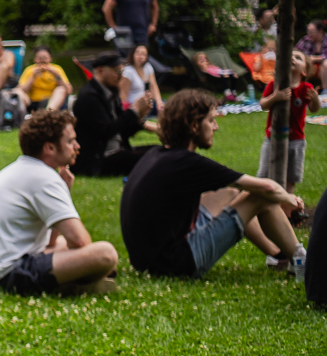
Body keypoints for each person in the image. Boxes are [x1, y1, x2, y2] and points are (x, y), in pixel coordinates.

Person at [119, 88, 306, 280]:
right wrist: (289, 199)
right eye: (210, 121)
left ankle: (278, 256)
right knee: (259, 195)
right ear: (193, 125)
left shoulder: (159, 154)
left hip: (149, 259)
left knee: (230, 193)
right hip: (175, 263)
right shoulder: (186, 162)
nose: (215, 127)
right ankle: (302, 262)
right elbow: (267, 188)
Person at [0, 109, 119, 296]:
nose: (77, 146)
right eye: (70, 141)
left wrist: (64, 192)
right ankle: (76, 286)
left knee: (65, 244)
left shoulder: (24, 169)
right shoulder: (44, 177)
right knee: (105, 254)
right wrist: (86, 261)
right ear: (50, 148)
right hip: (7, 274)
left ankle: (76, 280)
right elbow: (80, 242)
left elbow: (50, 243)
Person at [71, 51, 151, 177]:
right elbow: (106, 131)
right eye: (117, 72)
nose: (120, 76)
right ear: (100, 71)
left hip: (117, 151)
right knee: (151, 157)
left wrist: (139, 115)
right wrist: (133, 110)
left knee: (157, 151)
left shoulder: (111, 93)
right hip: (98, 159)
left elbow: (123, 132)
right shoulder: (89, 97)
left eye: (122, 72)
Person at [257, 49, 319, 194]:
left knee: (291, 178)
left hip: (296, 140)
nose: (292, 58)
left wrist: (316, 100)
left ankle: (287, 207)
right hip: (272, 138)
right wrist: (276, 97)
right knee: (264, 174)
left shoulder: (306, 88)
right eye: (289, 55)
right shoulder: (274, 84)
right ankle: (261, 204)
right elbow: (263, 104)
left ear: (304, 70)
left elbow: (314, 109)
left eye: (298, 58)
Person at [14, 46, 71, 112]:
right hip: (33, 102)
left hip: (52, 102)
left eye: (45, 58)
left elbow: (69, 90)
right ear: (35, 59)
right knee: (17, 91)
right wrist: (32, 77)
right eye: (40, 58)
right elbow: (21, 89)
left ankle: (47, 113)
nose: (42, 60)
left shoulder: (57, 69)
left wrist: (56, 75)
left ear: (50, 59)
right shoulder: (30, 70)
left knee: (61, 89)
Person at [121, 43, 162, 117]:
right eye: (138, 53)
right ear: (133, 54)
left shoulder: (148, 67)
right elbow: (123, 94)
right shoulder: (128, 71)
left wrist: (159, 102)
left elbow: (153, 85)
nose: (140, 56)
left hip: (148, 103)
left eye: (143, 54)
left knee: (167, 106)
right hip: (135, 106)